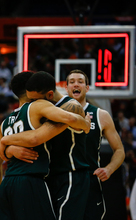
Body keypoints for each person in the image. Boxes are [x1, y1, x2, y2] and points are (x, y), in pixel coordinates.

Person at [0, 71, 90, 220]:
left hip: (7, 184)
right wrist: (86, 124)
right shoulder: (37, 105)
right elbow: (66, 119)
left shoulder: (5, 122)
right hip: (30, 181)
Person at [65, 69, 125, 220]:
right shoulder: (56, 114)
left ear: (87, 87)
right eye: (72, 82)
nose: (76, 85)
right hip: (64, 179)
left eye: (80, 81)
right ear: (66, 88)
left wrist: (109, 169)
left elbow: (119, 150)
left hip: (90, 179)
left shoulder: (101, 115)